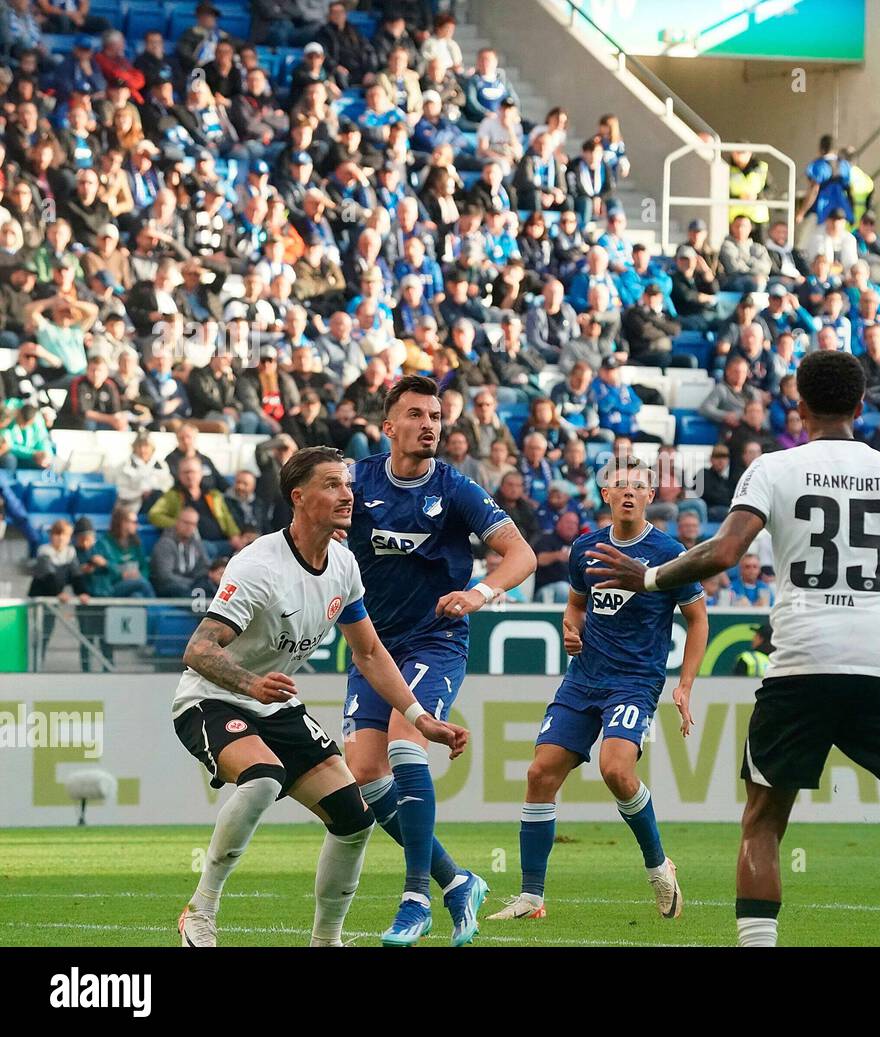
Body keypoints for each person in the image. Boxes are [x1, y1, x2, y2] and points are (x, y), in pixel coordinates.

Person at [583, 350, 880, 947]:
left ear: (799, 407)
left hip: (802, 662)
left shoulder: (773, 468)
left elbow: (722, 554)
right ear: (859, 407)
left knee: (765, 820)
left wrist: (645, 577)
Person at [172, 445, 468, 948]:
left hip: (276, 704)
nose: (347, 494)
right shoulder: (258, 566)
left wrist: (420, 718)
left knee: (354, 818)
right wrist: (249, 684)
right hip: (212, 699)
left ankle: (325, 941)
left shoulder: (343, 566)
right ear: (299, 496)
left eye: (348, 484)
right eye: (332, 484)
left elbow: (370, 653)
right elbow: (198, 650)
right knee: (264, 778)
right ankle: (200, 911)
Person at [343, 376, 536, 946]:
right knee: (365, 775)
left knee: (407, 741)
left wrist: (479, 594)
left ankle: (415, 899)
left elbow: (520, 553)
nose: (429, 424)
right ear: (388, 427)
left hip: (434, 640)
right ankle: (456, 880)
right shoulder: (356, 483)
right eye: (416, 415)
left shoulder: (456, 489)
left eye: (435, 415)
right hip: (372, 647)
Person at [488, 456, 705, 920]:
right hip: (584, 678)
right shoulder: (585, 547)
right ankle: (531, 897)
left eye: (638, 486)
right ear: (605, 495)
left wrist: (684, 685)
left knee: (615, 770)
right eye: (619, 485)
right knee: (539, 774)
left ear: (650, 496)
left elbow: (698, 618)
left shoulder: (669, 553)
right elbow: (575, 606)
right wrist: (571, 629)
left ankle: (658, 866)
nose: (628, 492)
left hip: (634, 680)